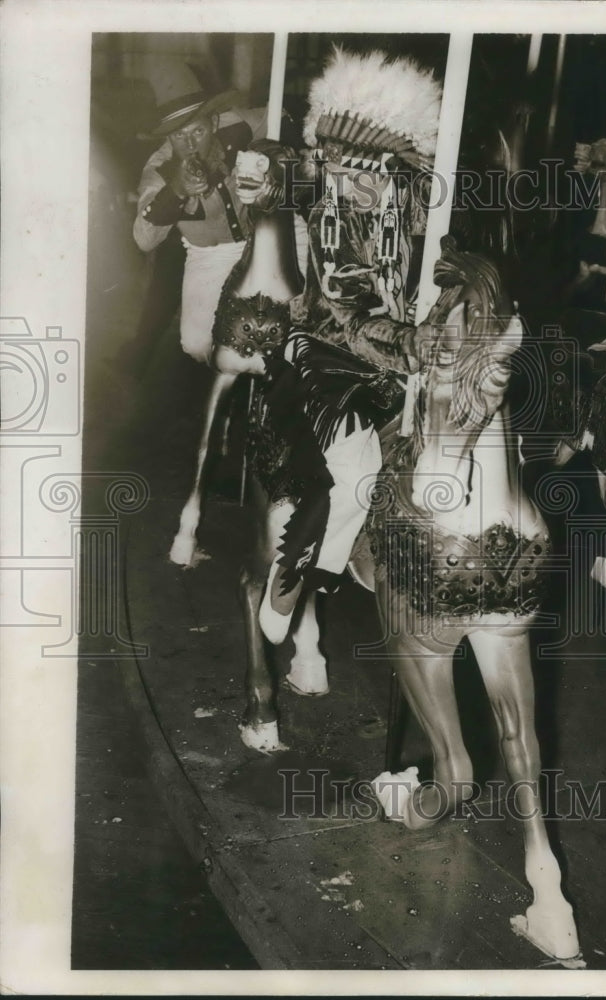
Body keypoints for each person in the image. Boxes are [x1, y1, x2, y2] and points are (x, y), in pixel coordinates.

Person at [221, 46, 443, 644]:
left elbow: (451, 239)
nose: (351, 179)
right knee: (355, 471)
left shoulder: (410, 204)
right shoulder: (331, 213)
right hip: (332, 355)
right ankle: (296, 569)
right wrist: (410, 341)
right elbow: (348, 314)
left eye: (367, 169)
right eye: (339, 165)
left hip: (404, 360)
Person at [133, 78, 267, 363]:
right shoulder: (159, 170)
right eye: (179, 136)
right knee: (196, 345)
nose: (190, 144)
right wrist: (177, 190)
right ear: (168, 137)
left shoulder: (238, 124)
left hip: (260, 242)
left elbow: (279, 116)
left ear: (214, 123)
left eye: (198, 131)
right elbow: (143, 240)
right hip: (208, 256)